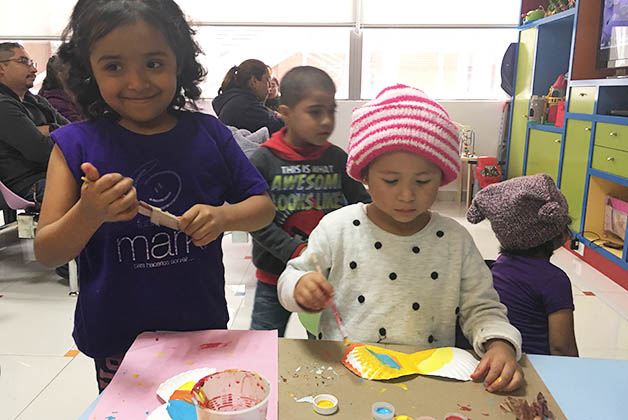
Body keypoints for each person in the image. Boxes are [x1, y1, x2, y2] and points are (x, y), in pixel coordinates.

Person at [33, 0, 275, 393]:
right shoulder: (74, 145)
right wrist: (89, 212)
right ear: (88, 71)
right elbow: (47, 252)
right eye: (113, 66)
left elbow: (262, 208)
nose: (137, 82)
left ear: (179, 61)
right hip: (118, 340)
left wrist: (223, 218)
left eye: (154, 63)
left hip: (201, 330)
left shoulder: (209, 134)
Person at [278, 84, 524, 393]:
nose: (407, 195)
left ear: (443, 177)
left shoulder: (454, 240)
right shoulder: (337, 228)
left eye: (423, 181)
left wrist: (499, 343)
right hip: (347, 375)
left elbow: (483, 307)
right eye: (391, 180)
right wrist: (299, 288)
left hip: (428, 378)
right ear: (364, 175)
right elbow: (292, 276)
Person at [249, 66, 370, 337]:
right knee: (262, 343)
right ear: (285, 113)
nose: (327, 121)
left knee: (323, 345)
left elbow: (362, 206)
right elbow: (256, 221)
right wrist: (296, 251)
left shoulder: (338, 159)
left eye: (331, 111)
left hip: (324, 277)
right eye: (315, 112)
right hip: (273, 276)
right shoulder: (264, 160)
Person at [466, 173, 579, 357]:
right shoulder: (554, 280)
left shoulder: (496, 268)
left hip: (497, 361)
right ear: (552, 232)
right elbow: (562, 347)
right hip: (537, 369)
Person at [0, 42, 69, 203]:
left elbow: (74, 131)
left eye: (32, 63)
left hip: (57, 174)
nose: (34, 70)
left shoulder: (36, 100)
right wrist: (60, 133)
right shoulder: (3, 105)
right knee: (102, 198)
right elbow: (41, 152)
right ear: (1, 68)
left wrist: (50, 129)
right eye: (24, 62)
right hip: (31, 184)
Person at [212, 59, 284, 135]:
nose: (269, 86)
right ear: (254, 81)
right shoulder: (246, 107)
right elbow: (281, 129)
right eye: (267, 80)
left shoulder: (237, 101)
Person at [38, 55, 83, 122]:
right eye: (73, 72)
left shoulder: (71, 96)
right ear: (61, 76)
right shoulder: (55, 102)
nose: (79, 76)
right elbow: (79, 125)